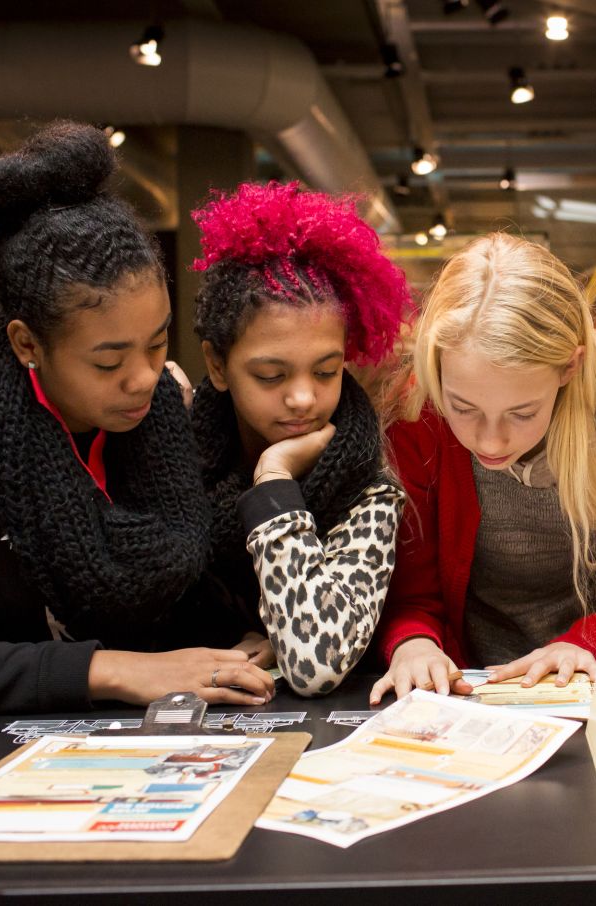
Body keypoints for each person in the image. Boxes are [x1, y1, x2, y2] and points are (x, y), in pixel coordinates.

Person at [0, 122, 274, 715]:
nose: (143, 378)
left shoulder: (166, 417)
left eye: (157, 344)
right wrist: (111, 670)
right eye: (108, 361)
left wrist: (240, 642)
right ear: (28, 344)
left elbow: (184, 588)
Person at [369, 234, 596, 704]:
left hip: (595, 686)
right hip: (471, 691)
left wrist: (587, 639)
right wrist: (413, 643)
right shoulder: (419, 426)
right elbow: (411, 594)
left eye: (522, 413)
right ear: (435, 368)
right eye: (463, 407)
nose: (490, 441)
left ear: (570, 368)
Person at [189, 181, 410, 697]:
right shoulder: (174, 458)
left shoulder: (369, 483)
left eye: (327, 371)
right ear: (217, 365)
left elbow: (318, 664)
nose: (304, 399)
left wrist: (274, 480)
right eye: (271, 376)